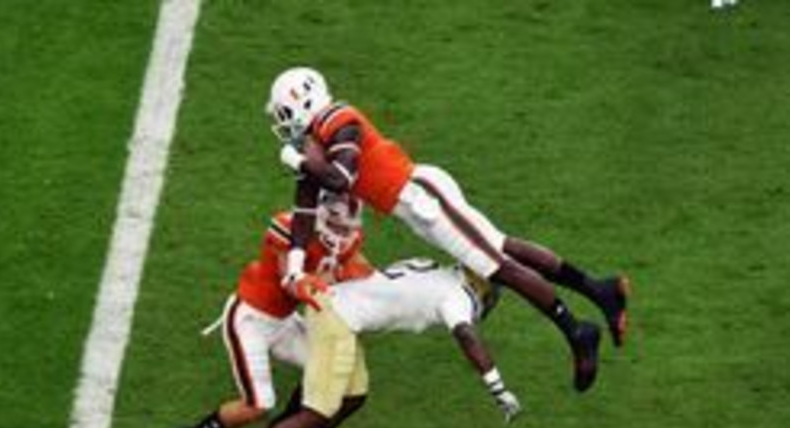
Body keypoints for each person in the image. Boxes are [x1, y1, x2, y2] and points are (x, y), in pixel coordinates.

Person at [262, 67, 629, 396]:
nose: (283, 125)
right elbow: (305, 209)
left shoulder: (337, 121)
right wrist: (295, 267)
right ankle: (600, 290)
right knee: (502, 248)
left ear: (302, 101)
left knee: (495, 265)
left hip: (423, 197)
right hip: (415, 204)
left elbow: (340, 178)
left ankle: (577, 331)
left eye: (283, 113)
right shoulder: (315, 145)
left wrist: (297, 159)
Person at [209, 257, 526, 428]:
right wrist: (497, 388)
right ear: (481, 281)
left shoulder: (432, 266)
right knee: (320, 411)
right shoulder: (456, 297)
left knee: (354, 395)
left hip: (336, 309)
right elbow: (467, 336)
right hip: (336, 318)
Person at [172, 191, 371, 428]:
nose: (343, 235)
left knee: (323, 371)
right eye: (338, 226)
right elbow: (291, 281)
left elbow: (360, 269)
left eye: (348, 227)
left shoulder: (344, 239)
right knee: (258, 404)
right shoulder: (288, 228)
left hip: (283, 321)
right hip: (250, 318)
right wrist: (334, 279)